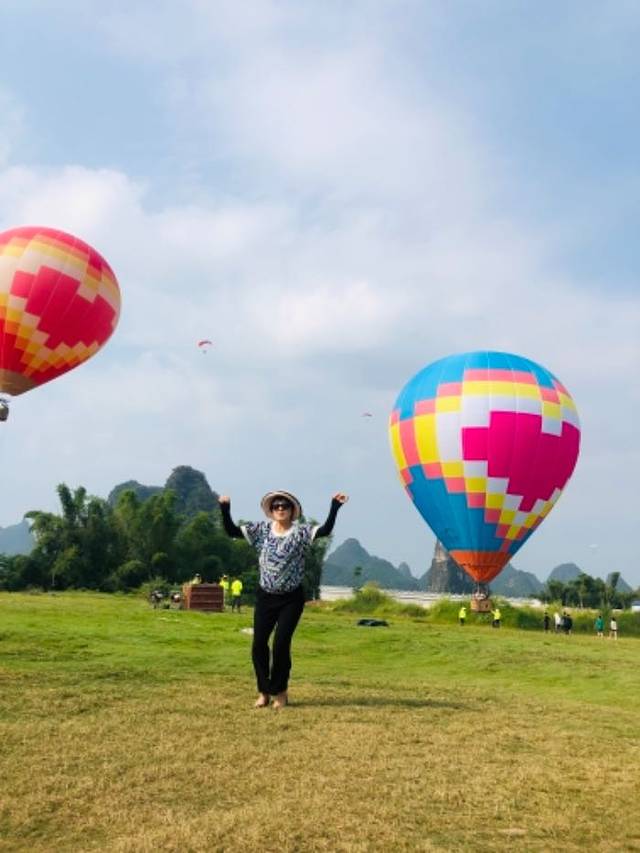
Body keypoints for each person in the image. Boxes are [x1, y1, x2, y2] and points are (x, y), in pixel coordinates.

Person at [219, 489, 348, 709]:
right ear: (270, 510)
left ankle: (280, 692)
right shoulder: (260, 530)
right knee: (259, 644)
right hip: (266, 596)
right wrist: (225, 508)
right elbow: (232, 531)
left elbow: (325, 530)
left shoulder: (300, 533)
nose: (280, 509)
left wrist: (334, 507)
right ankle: (263, 692)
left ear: (291, 511)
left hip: (291, 598)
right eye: (276, 506)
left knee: (280, 645)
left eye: (284, 506)